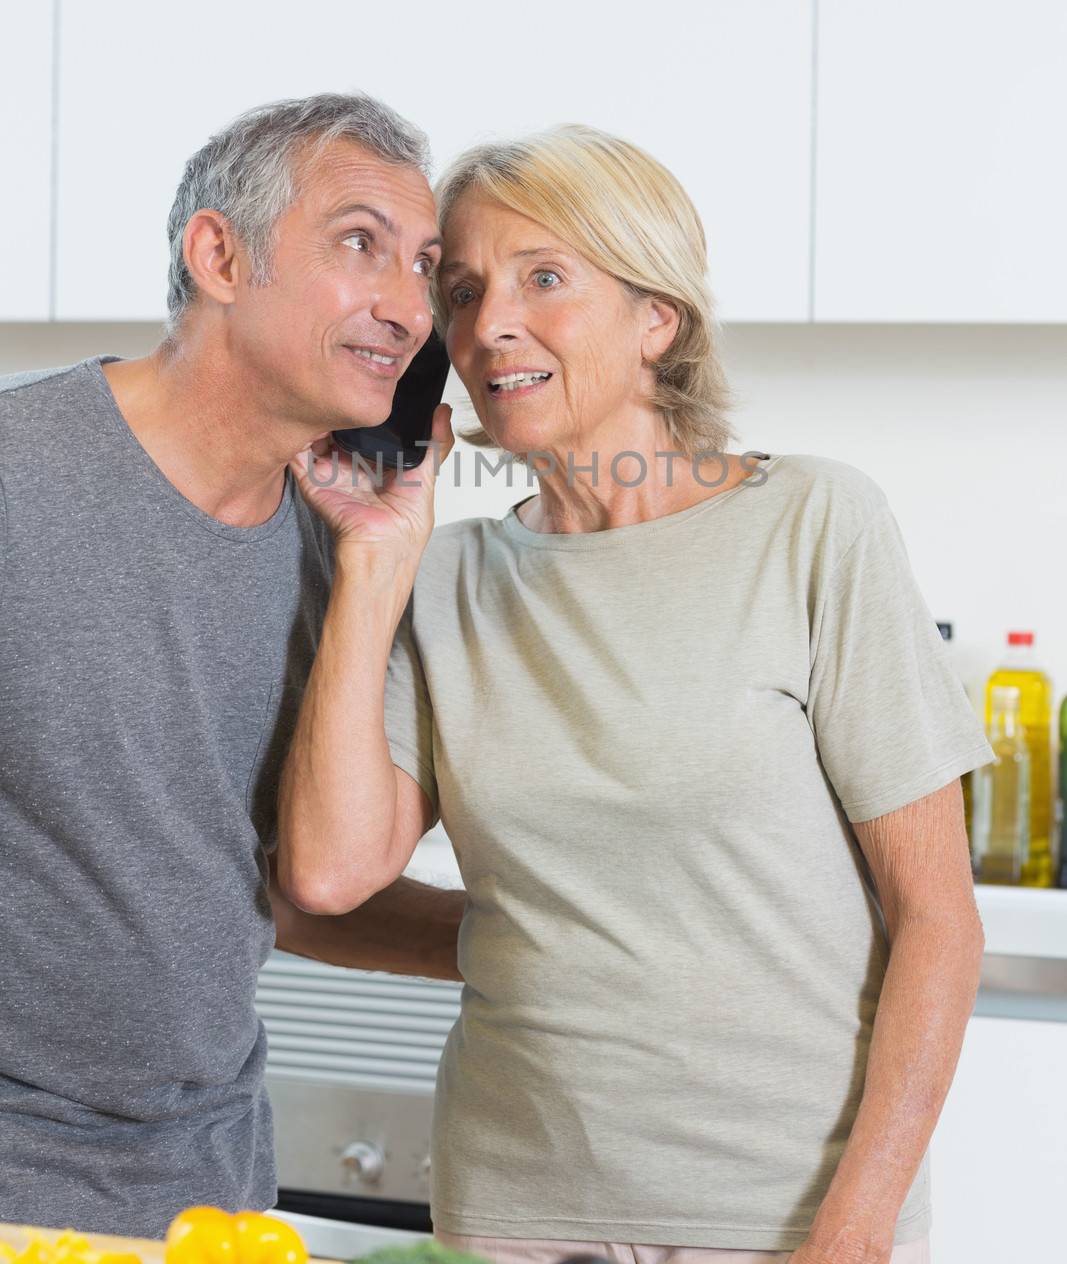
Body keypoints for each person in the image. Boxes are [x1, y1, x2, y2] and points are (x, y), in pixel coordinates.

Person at [278, 124, 997, 1264]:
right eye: (461, 292)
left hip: (780, 1220)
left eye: (542, 277)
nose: (487, 324)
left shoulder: (810, 525)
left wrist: (853, 1229)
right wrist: (374, 559)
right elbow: (320, 878)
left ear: (655, 317)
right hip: (511, 1210)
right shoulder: (448, 576)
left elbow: (935, 919)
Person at [0, 92, 463, 1235]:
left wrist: (565, 948)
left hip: (209, 1191)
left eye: (425, 267)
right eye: (361, 244)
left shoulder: (337, 544)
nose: (407, 307)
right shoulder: (19, 480)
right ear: (218, 253)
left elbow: (292, 891)